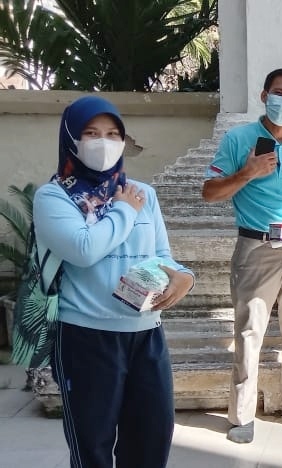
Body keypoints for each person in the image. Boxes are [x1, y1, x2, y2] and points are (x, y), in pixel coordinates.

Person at [35, 95, 195, 468]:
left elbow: (161, 255)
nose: (103, 142)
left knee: (151, 440)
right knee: (92, 446)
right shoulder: (54, 196)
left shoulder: (142, 194)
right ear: (71, 138)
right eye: (91, 133)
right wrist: (123, 210)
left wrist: (185, 277)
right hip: (86, 338)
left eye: (113, 134)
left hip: (146, 335)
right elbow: (84, 249)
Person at [202, 68, 282, 443]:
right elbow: (210, 192)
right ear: (264, 96)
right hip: (256, 248)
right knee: (249, 332)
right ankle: (242, 415)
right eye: (279, 93)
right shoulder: (239, 139)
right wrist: (247, 172)